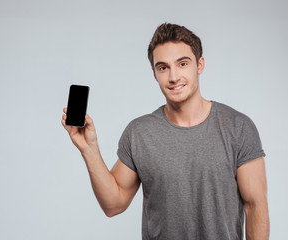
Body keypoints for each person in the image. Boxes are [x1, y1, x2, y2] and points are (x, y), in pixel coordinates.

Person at [62, 23, 269, 240]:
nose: (173, 77)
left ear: (200, 65)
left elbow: (255, 206)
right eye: (163, 67)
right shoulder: (139, 133)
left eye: (182, 64)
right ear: (154, 73)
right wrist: (89, 149)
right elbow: (113, 205)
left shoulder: (238, 127)